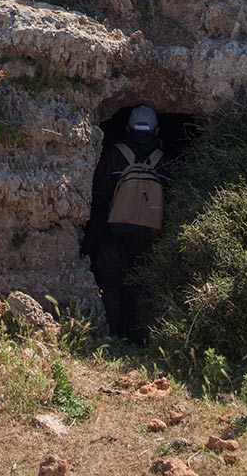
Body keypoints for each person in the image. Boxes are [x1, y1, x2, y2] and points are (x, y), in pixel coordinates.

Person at [81, 106, 166, 344]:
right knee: (144, 285)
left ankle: (111, 336)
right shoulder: (164, 161)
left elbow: (97, 197)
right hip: (150, 236)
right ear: (157, 131)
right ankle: (147, 339)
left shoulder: (113, 155)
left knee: (111, 284)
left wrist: (92, 235)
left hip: (114, 232)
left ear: (127, 128)